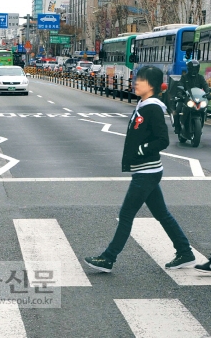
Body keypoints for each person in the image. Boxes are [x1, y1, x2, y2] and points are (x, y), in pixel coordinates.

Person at [84, 66, 196, 273]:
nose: (135, 83)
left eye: (140, 80)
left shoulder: (152, 108)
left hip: (147, 170)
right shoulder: (144, 104)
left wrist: (142, 149)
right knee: (162, 214)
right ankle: (185, 252)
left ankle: (108, 258)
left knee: (126, 214)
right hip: (146, 170)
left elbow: (162, 139)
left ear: (151, 85)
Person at [173, 60, 210, 134]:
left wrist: (208, 93)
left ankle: (201, 122)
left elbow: (205, 86)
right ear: (189, 69)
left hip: (198, 99)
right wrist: (180, 94)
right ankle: (177, 127)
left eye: (195, 69)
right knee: (177, 111)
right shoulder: (184, 77)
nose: (194, 70)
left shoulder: (200, 77)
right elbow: (180, 86)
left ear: (198, 69)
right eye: (192, 69)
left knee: (204, 109)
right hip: (186, 99)